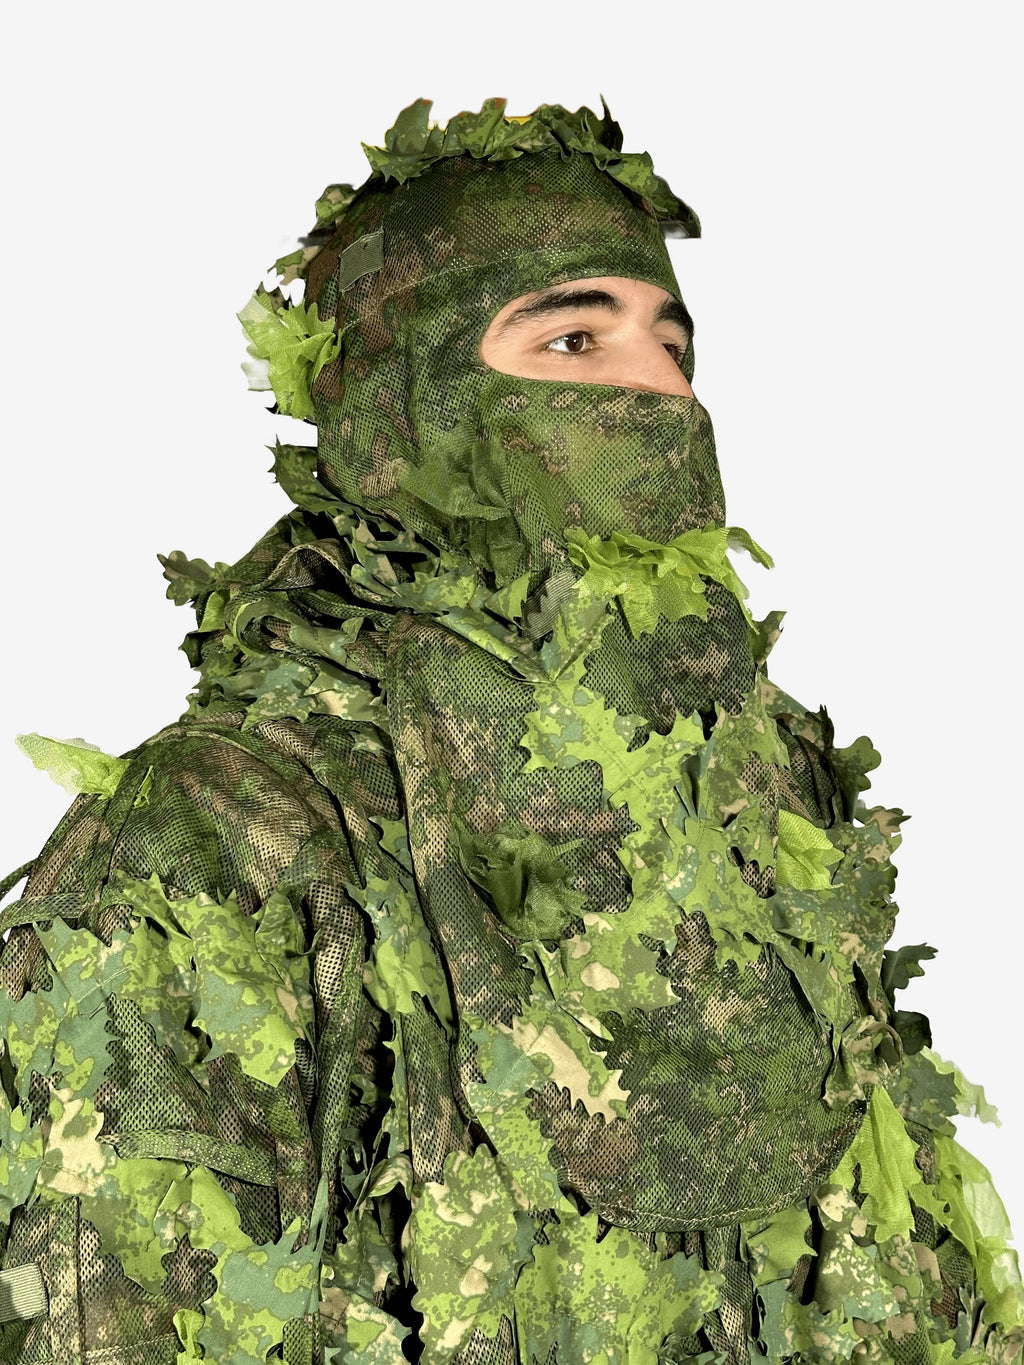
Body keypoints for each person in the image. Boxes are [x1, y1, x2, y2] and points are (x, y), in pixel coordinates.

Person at [0, 96, 1021, 1365]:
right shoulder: (220, 826)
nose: (659, 390)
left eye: (672, 344)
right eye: (574, 340)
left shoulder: (756, 795)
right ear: (412, 405)